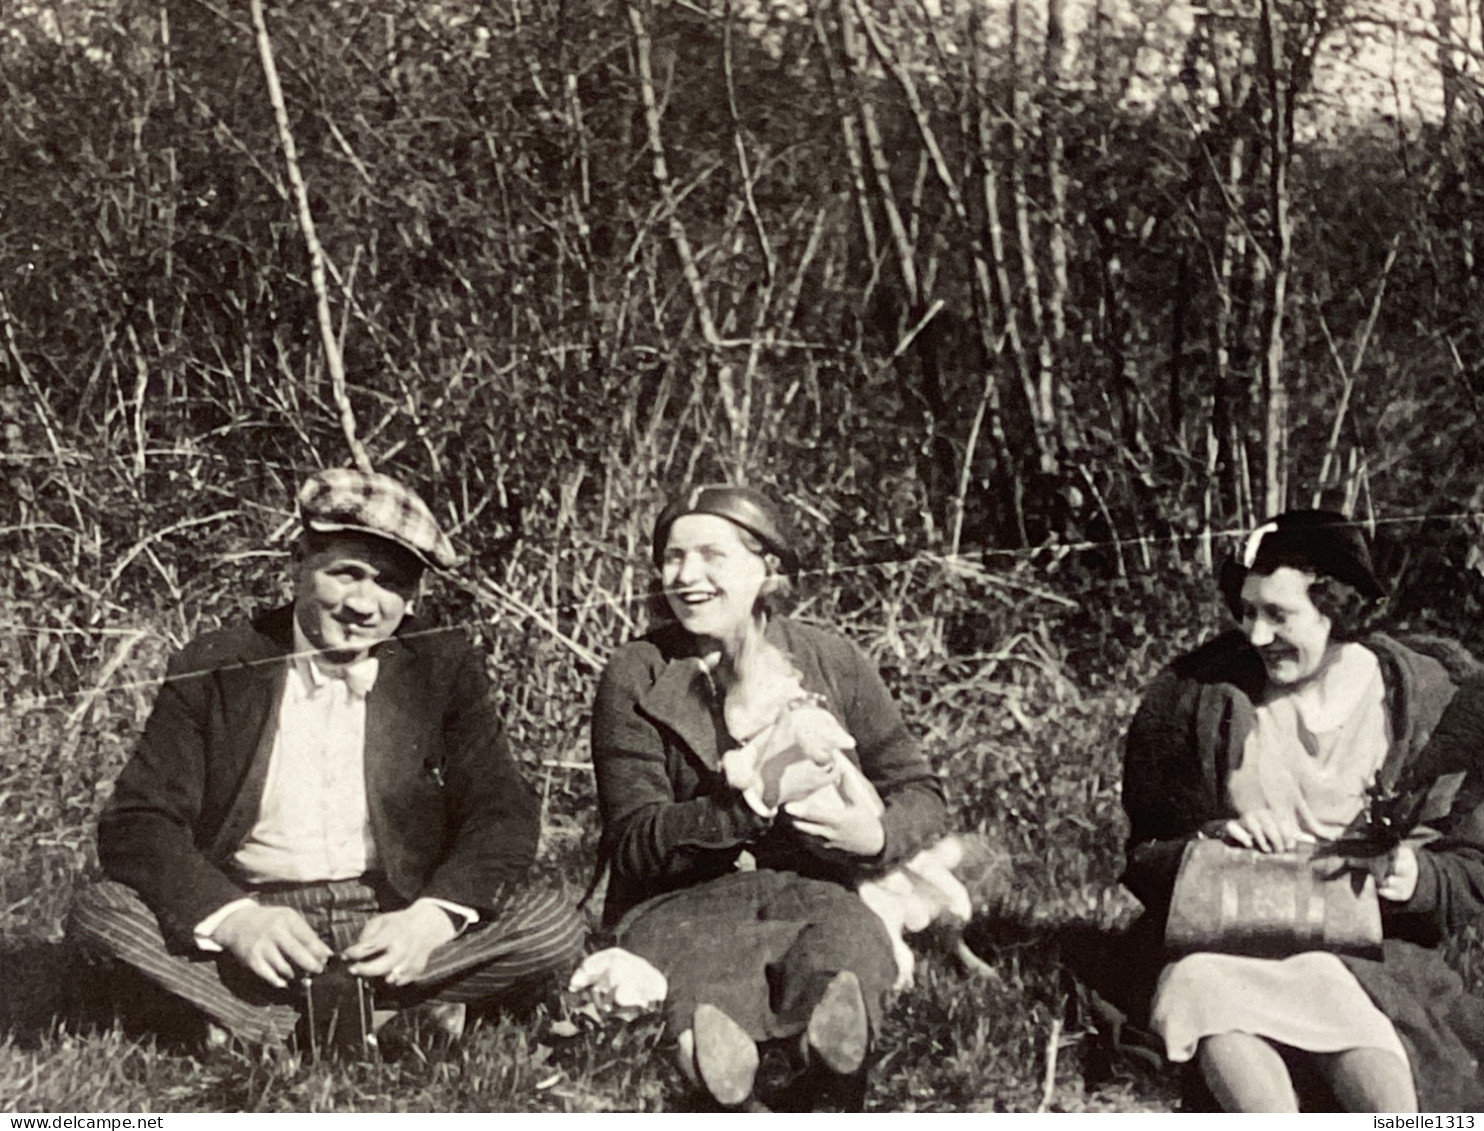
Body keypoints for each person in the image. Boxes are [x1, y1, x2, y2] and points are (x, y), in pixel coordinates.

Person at [70, 468, 586, 1049]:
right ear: (299, 563)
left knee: (551, 923)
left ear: (412, 597)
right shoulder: (218, 662)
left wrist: (431, 918)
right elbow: (138, 823)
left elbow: (501, 815)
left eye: (390, 584)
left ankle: (264, 1027)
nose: (364, 604)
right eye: (346, 573)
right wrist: (236, 921)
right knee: (102, 914)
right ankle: (382, 1024)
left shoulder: (441, 665)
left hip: (389, 918)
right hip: (262, 921)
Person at [590, 484, 948, 1109]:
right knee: (704, 979)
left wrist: (877, 836)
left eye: (711, 555)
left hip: (817, 887)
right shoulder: (637, 672)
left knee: (842, 952)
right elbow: (636, 844)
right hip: (679, 899)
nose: (686, 576)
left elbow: (918, 789)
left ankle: (832, 1050)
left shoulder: (829, 658)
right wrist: (747, 807)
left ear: (767, 569)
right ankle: (723, 1068)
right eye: (673, 557)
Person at [1119, 508, 1484, 1111]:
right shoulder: (1198, 703)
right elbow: (1147, 854)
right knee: (1213, 1002)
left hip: (1365, 954)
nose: (1256, 636)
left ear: (1338, 609)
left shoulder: (1431, 706)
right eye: (1247, 611)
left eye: (1278, 615)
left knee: (1372, 1049)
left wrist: (1414, 878)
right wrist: (1214, 842)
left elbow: (1472, 870)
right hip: (1227, 942)